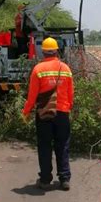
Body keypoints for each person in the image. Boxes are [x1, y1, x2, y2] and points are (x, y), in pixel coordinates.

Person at [21, 37, 74, 190]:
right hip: (62, 113)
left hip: (44, 113)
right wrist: (68, 107)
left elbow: (32, 96)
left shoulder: (38, 69)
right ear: (57, 51)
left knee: (44, 146)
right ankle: (64, 179)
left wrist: (26, 112)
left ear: (43, 52)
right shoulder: (66, 69)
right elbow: (71, 93)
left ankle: (45, 180)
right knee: (62, 145)